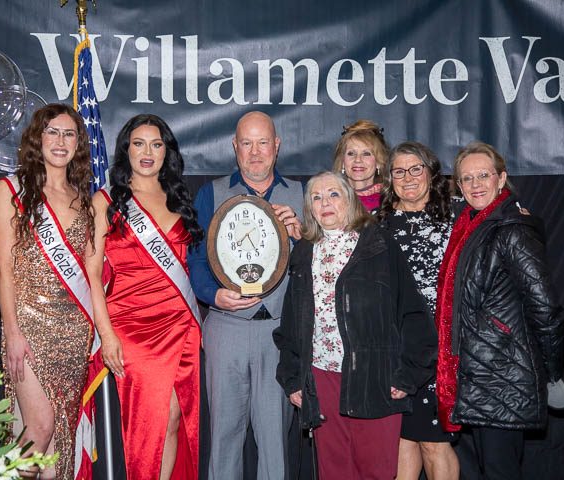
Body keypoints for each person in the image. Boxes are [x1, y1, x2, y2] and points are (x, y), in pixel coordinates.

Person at [274, 171, 437, 479]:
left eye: (333, 194)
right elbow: (292, 323)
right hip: (322, 378)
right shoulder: (304, 252)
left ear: (349, 200)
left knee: (375, 469)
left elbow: (413, 314)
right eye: (317, 198)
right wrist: (293, 378)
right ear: (309, 208)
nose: (325, 203)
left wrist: (408, 374)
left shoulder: (379, 245)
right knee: (334, 470)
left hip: (374, 377)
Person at [436, 141, 564, 480]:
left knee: (500, 472)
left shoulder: (512, 231)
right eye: (467, 178)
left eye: (484, 175)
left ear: (501, 178)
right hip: (478, 374)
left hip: (504, 376)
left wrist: (551, 372)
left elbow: (546, 307)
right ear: (459, 187)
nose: (476, 184)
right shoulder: (469, 227)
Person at [85, 114, 204, 479]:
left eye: (156, 144)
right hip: (132, 328)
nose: (148, 152)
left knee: (174, 419)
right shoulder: (105, 201)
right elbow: (92, 271)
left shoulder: (179, 198)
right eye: (139, 143)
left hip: (181, 326)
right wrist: (106, 334)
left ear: (167, 151)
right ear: (126, 150)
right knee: (145, 426)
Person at [188, 111, 302, 480]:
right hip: (227, 326)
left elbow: (321, 268)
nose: (255, 153)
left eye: (263, 142)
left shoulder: (302, 195)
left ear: (277, 146)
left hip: (280, 331)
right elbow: (195, 258)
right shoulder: (212, 193)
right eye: (247, 143)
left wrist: (301, 239)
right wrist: (213, 295)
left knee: (275, 443)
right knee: (224, 437)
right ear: (235, 148)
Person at [0, 103, 94, 479]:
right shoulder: (12, 191)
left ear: (78, 144)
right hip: (29, 327)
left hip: (72, 334)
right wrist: (13, 334)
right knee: (39, 428)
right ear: (38, 137)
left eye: (69, 134)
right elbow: (4, 270)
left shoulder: (83, 200)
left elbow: (89, 272)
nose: (60, 141)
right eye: (53, 131)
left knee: (57, 444)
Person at [376, 142, 460, 480]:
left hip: (441, 350)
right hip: (397, 352)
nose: (408, 177)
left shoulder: (457, 213)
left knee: (435, 444)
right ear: (389, 179)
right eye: (399, 171)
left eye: (416, 169)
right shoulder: (378, 224)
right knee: (402, 438)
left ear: (431, 172)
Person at [332, 119, 389, 211]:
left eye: (366, 153)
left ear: (378, 162)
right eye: (351, 153)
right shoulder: (329, 200)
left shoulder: (391, 200)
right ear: (342, 160)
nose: (358, 160)